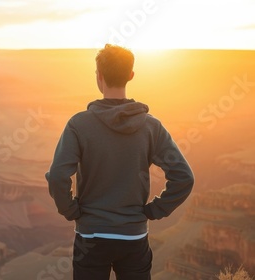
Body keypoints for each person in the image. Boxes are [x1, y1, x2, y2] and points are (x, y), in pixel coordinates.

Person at [45, 44, 194, 280]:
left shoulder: (79, 124)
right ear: (131, 75)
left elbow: (57, 176)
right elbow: (184, 177)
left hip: (90, 237)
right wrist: (154, 210)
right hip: (133, 237)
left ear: (99, 76)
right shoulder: (151, 126)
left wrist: (71, 210)